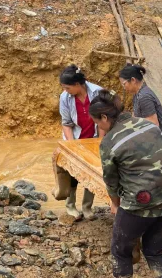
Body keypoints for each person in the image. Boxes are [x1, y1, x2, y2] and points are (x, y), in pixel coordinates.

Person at [89, 89, 162, 278]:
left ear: (104, 117)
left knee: (120, 251)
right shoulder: (148, 126)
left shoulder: (109, 143)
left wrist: (115, 203)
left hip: (141, 201)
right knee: (154, 252)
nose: (97, 125)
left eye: (97, 121)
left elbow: (111, 180)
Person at [59, 64, 104, 220]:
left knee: (90, 173)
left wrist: (101, 141)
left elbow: (102, 120)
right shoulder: (65, 97)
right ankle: (70, 206)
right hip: (75, 139)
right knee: (72, 173)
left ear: (78, 85)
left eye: (67, 87)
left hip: (93, 138)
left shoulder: (98, 92)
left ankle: (87, 207)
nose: (65, 91)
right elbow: (66, 123)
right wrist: (72, 146)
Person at [119, 64, 162, 153]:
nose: (124, 88)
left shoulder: (144, 97)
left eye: (124, 84)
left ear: (133, 80)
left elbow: (153, 123)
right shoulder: (137, 94)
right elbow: (134, 116)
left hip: (161, 141)